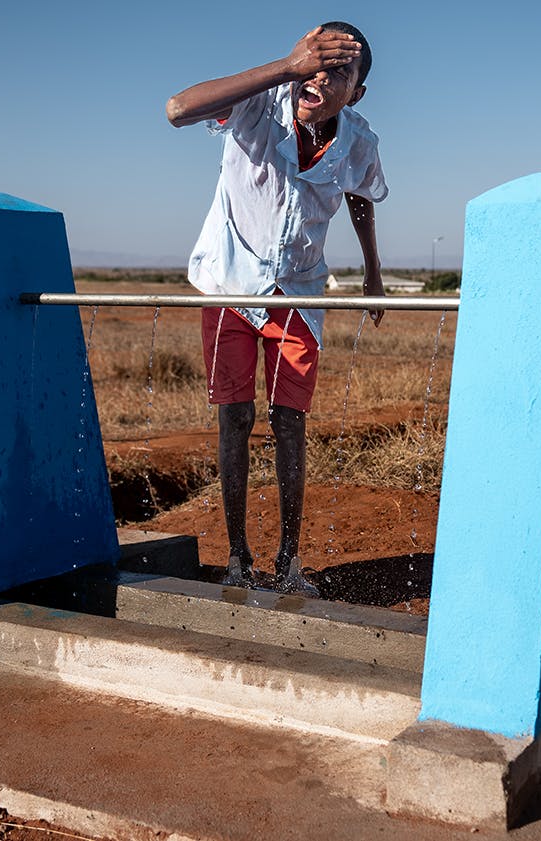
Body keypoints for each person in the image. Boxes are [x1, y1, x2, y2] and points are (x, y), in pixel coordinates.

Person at [166, 22, 388, 596]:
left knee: (290, 423)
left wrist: (372, 273)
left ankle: (289, 563)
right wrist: (285, 65)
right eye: (316, 60)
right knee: (235, 419)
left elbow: (361, 198)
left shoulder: (358, 142)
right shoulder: (256, 106)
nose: (320, 75)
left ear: (355, 93)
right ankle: (239, 558)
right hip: (230, 286)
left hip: (299, 292)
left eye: (339, 70)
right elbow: (177, 109)